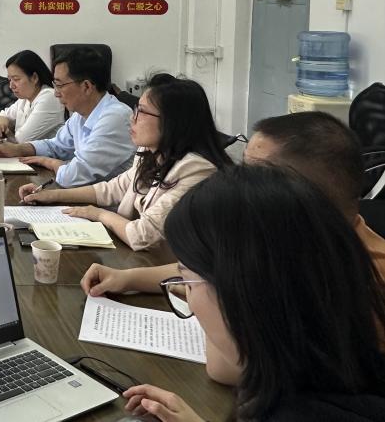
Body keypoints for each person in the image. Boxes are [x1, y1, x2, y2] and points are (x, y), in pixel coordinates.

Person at [0, 167, 385, 422]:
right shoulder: (341, 373)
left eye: (188, 280)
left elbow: (223, 366)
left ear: (251, 293)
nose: (189, 301)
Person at [80, 110, 385, 384]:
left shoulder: (364, 280)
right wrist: (129, 278)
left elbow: (227, 369)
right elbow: (205, 270)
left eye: (252, 175)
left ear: (299, 198)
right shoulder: (297, 241)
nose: (235, 183)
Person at [17, 76, 232, 249]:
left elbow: (142, 235)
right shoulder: (151, 152)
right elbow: (113, 189)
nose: (132, 118)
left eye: (142, 112)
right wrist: (52, 196)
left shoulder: (196, 169)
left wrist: (98, 214)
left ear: (173, 121)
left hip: (174, 271)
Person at [0, 46, 134, 186]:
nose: (56, 93)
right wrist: (17, 149)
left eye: (60, 85)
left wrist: (48, 162)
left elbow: (73, 176)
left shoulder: (115, 118)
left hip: (111, 203)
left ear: (86, 86)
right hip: (85, 194)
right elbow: (56, 146)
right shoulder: (80, 115)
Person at [0, 49, 64, 145]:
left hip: (47, 154)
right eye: (9, 80)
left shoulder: (50, 97)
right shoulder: (25, 99)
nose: (11, 86)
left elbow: (21, 140)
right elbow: (3, 114)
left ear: (34, 78)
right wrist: (1, 125)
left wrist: (6, 132)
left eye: (16, 79)